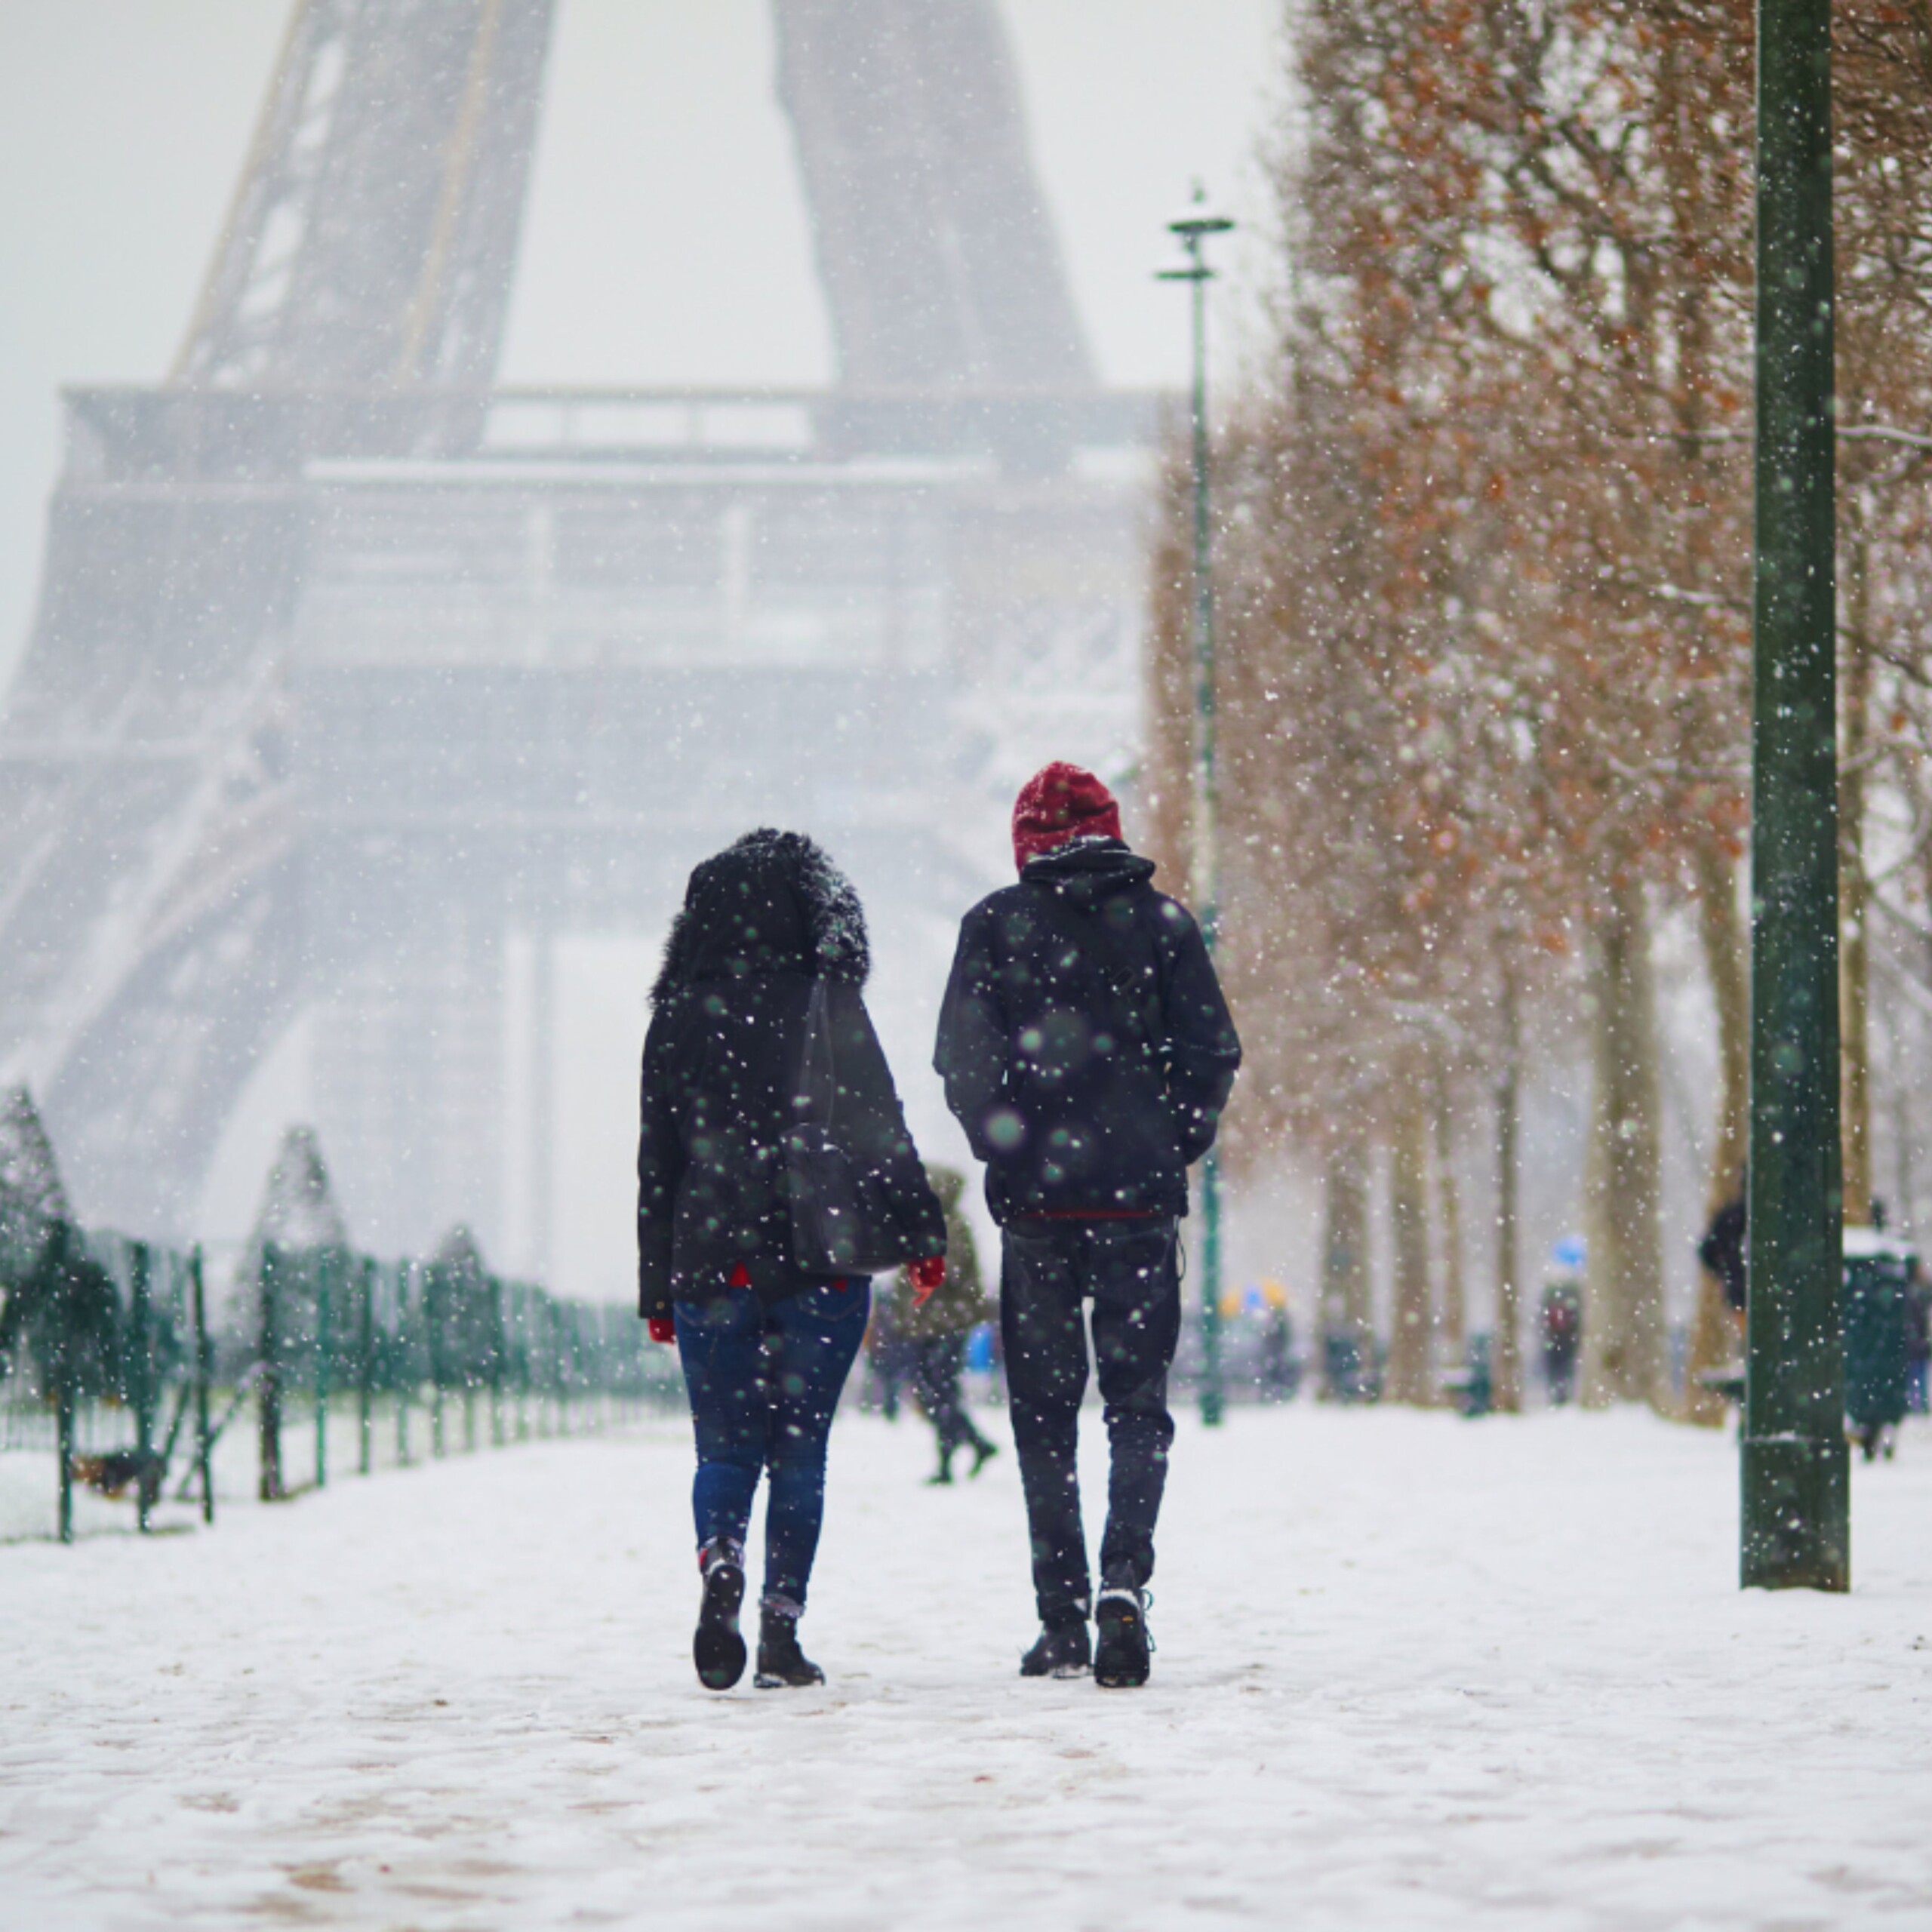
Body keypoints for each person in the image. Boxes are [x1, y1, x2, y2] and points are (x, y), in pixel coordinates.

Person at [934, 762, 1241, 1687]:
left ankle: (1060, 1615)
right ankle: (1124, 1579)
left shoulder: (994, 925)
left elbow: (962, 1063)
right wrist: (1164, 1141)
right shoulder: (1163, 925)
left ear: (1026, 842)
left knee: (1041, 1415)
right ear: (1110, 829)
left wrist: (1012, 1147)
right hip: (1137, 1203)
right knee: (1136, 1407)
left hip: (1038, 1210)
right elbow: (1211, 1053)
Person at [638, 829, 946, 1692]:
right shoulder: (826, 998)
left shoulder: (676, 1014)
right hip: (819, 1251)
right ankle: (779, 1629)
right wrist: (921, 1233)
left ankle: (721, 1555)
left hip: (710, 1257)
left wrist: (655, 1284)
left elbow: (656, 1163)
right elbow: (880, 1126)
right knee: (801, 1451)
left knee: (724, 1450)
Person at [893, 1164, 998, 1484]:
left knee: (939, 1391)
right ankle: (973, 1445)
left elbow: (946, 1273)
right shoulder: (930, 1225)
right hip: (928, 1324)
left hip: (946, 1323)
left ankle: (954, 1457)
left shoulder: (950, 1225)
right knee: (933, 1392)